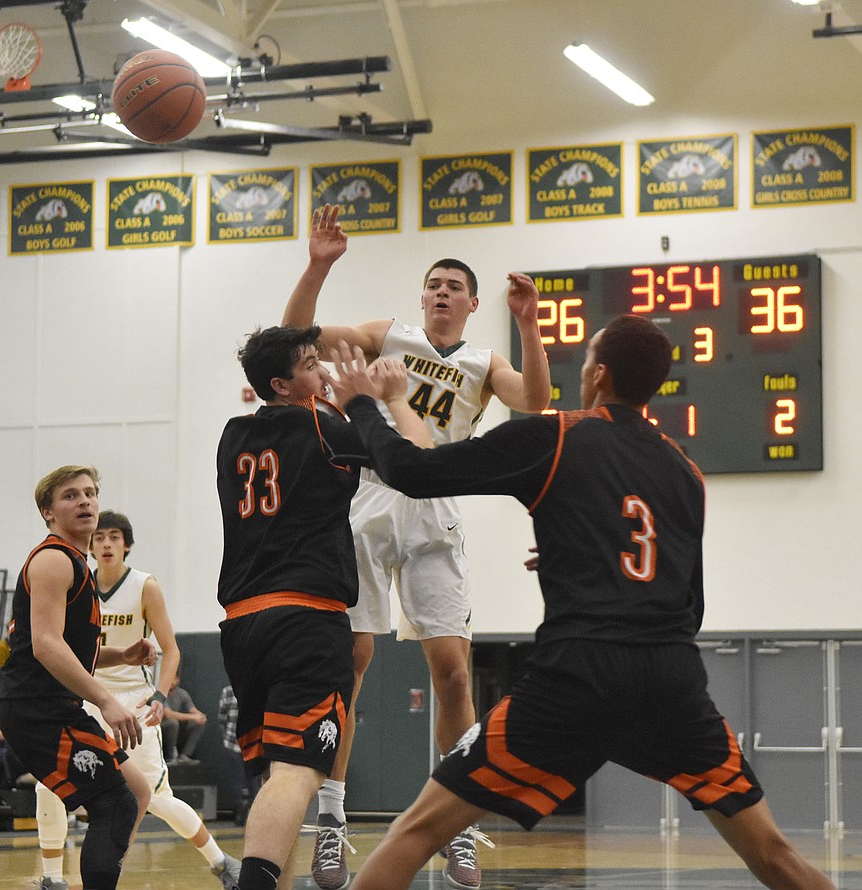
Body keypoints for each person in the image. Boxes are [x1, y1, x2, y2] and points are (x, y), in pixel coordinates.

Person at [327, 316, 837, 890]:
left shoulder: (556, 434)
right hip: (669, 681)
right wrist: (582, 555)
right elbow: (686, 602)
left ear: (597, 374)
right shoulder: (685, 470)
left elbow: (413, 473)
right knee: (775, 857)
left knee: (415, 834)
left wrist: (374, 402)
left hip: (576, 676)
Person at [283, 205, 550, 890]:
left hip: (436, 502)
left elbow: (538, 403)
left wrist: (528, 324)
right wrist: (319, 264)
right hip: (368, 499)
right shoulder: (384, 335)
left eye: (452, 285)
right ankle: (333, 821)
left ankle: (453, 825)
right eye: (432, 282)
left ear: (471, 303)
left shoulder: (486, 362)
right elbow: (294, 337)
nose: (439, 292)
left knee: (454, 673)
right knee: (352, 662)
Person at [215, 325, 427, 890]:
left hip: (242, 624)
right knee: (297, 773)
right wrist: (385, 398)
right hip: (305, 620)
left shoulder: (233, 436)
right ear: (282, 384)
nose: (324, 371)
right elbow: (414, 464)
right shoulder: (323, 425)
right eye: (313, 364)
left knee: (270, 779)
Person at [34, 510, 240, 890]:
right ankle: (51, 879)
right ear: (91, 545)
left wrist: (161, 696)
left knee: (156, 797)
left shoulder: (145, 586)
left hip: (133, 701)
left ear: (126, 545)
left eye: (114, 537)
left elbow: (171, 650)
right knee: (48, 785)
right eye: (100, 538)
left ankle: (221, 862)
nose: (107, 543)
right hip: (88, 697)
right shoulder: (77, 582)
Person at [0, 465, 155, 890]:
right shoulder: (53, 559)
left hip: (47, 704)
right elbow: (47, 647)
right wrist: (105, 699)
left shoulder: (75, 563)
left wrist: (122, 653)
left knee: (137, 793)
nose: (84, 501)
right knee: (115, 802)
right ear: (48, 512)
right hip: (36, 708)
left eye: (90, 493)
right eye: (70, 496)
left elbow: (63, 646)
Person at [219, 682, 259, 826]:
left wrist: (226, 738)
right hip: (252, 741)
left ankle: (240, 814)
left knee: (238, 779)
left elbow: (222, 717)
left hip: (233, 741)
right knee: (252, 779)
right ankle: (254, 814)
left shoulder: (228, 691)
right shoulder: (257, 689)